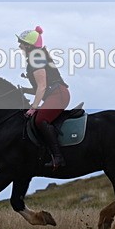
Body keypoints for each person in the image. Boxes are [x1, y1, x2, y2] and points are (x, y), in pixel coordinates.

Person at [16, 25, 70, 169]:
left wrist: (34, 107)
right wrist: (25, 91)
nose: (19, 45)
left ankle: (58, 158)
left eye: (22, 43)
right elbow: (41, 89)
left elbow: (42, 87)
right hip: (54, 93)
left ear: (29, 46)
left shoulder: (36, 57)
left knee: (40, 119)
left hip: (58, 94)